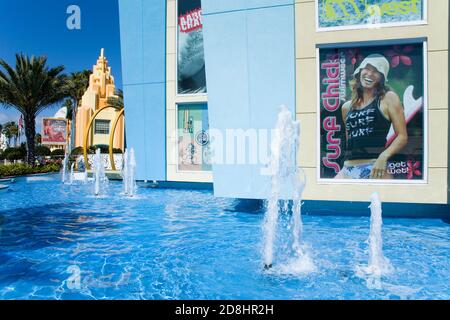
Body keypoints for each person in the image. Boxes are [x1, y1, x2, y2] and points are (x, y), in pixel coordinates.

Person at [335, 54, 408, 180]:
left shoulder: (388, 98)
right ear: (360, 71)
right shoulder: (346, 107)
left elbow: (402, 136)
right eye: (367, 69)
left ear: (382, 77)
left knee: (378, 200)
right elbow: (350, 142)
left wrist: (383, 157)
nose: (370, 74)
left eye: (376, 71)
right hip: (348, 169)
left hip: (375, 167)